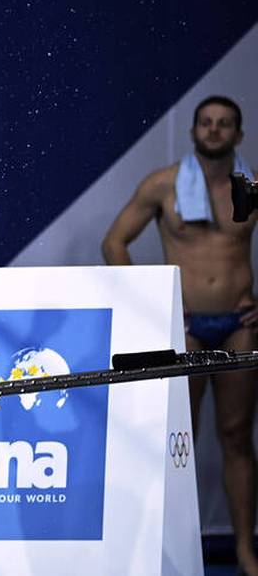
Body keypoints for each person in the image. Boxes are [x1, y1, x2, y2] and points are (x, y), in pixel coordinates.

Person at [103, 96, 258, 575]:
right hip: (184, 327)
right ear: (193, 132)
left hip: (238, 326)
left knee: (236, 437)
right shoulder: (163, 185)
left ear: (238, 135)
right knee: (179, 441)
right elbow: (114, 243)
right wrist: (155, 303)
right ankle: (172, 550)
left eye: (224, 124)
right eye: (206, 123)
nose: (214, 131)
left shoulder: (250, 188)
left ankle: (245, 553)